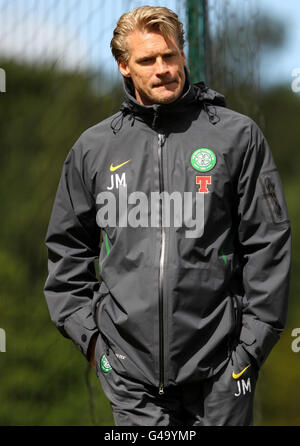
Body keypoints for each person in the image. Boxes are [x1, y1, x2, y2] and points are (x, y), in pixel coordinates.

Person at [44, 6, 291, 426]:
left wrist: (249, 350)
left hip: (222, 374)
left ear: (183, 55)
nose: (162, 69)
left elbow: (269, 243)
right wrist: (98, 350)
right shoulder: (93, 149)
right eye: (147, 60)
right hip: (129, 378)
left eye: (169, 56)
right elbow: (66, 252)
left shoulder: (238, 136)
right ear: (124, 65)